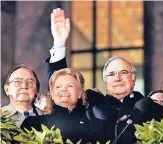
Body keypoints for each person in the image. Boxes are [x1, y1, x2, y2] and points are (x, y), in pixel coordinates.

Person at [45, 8, 145, 144]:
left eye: (123, 72)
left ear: (133, 77)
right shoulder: (91, 102)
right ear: (105, 80)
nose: (117, 78)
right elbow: (62, 84)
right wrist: (59, 42)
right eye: (111, 74)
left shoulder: (145, 105)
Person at [21, 68, 113, 143]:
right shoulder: (33, 124)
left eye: (70, 86)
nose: (64, 90)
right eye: (58, 86)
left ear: (80, 92)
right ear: (52, 94)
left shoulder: (97, 126)